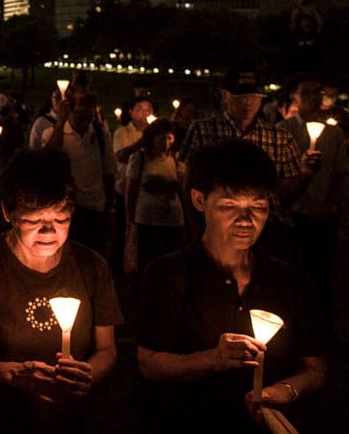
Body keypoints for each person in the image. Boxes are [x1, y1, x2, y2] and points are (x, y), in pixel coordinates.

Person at [138, 140, 326, 433]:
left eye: (258, 206)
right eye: (229, 206)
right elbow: (149, 363)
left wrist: (285, 391)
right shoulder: (167, 274)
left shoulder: (292, 281)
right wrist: (212, 358)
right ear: (199, 200)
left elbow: (315, 367)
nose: (246, 220)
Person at [0, 148, 121, 434]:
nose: (49, 231)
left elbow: (107, 349)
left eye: (61, 219)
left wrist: (83, 376)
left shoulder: (91, 267)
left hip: (65, 423)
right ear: (7, 211)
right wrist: (12, 373)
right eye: (34, 220)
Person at [179, 69, 302, 258]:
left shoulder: (280, 137)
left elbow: (290, 190)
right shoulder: (202, 130)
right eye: (241, 96)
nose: (247, 102)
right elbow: (188, 181)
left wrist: (305, 174)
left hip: (269, 229)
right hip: (217, 227)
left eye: (254, 97)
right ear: (225, 96)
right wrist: (195, 227)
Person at [277, 76, 349, 328]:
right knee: (290, 269)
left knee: (321, 272)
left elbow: (340, 173)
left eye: (317, 92)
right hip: (291, 214)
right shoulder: (283, 130)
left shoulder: (333, 134)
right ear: (294, 96)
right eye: (306, 92)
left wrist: (329, 205)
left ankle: (320, 325)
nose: (313, 98)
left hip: (322, 214)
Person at [41, 84, 116, 255]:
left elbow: (109, 174)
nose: (86, 110)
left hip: (96, 211)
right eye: (81, 103)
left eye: (90, 104)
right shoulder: (52, 133)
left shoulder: (101, 136)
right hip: (65, 212)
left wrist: (110, 210)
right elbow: (48, 160)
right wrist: (60, 123)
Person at [124, 118, 186, 274]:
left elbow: (183, 186)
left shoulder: (175, 159)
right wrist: (130, 219)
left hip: (172, 218)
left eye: (169, 138)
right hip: (147, 219)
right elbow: (131, 191)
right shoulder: (139, 159)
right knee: (147, 260)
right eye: (161, 138)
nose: (165, 142)